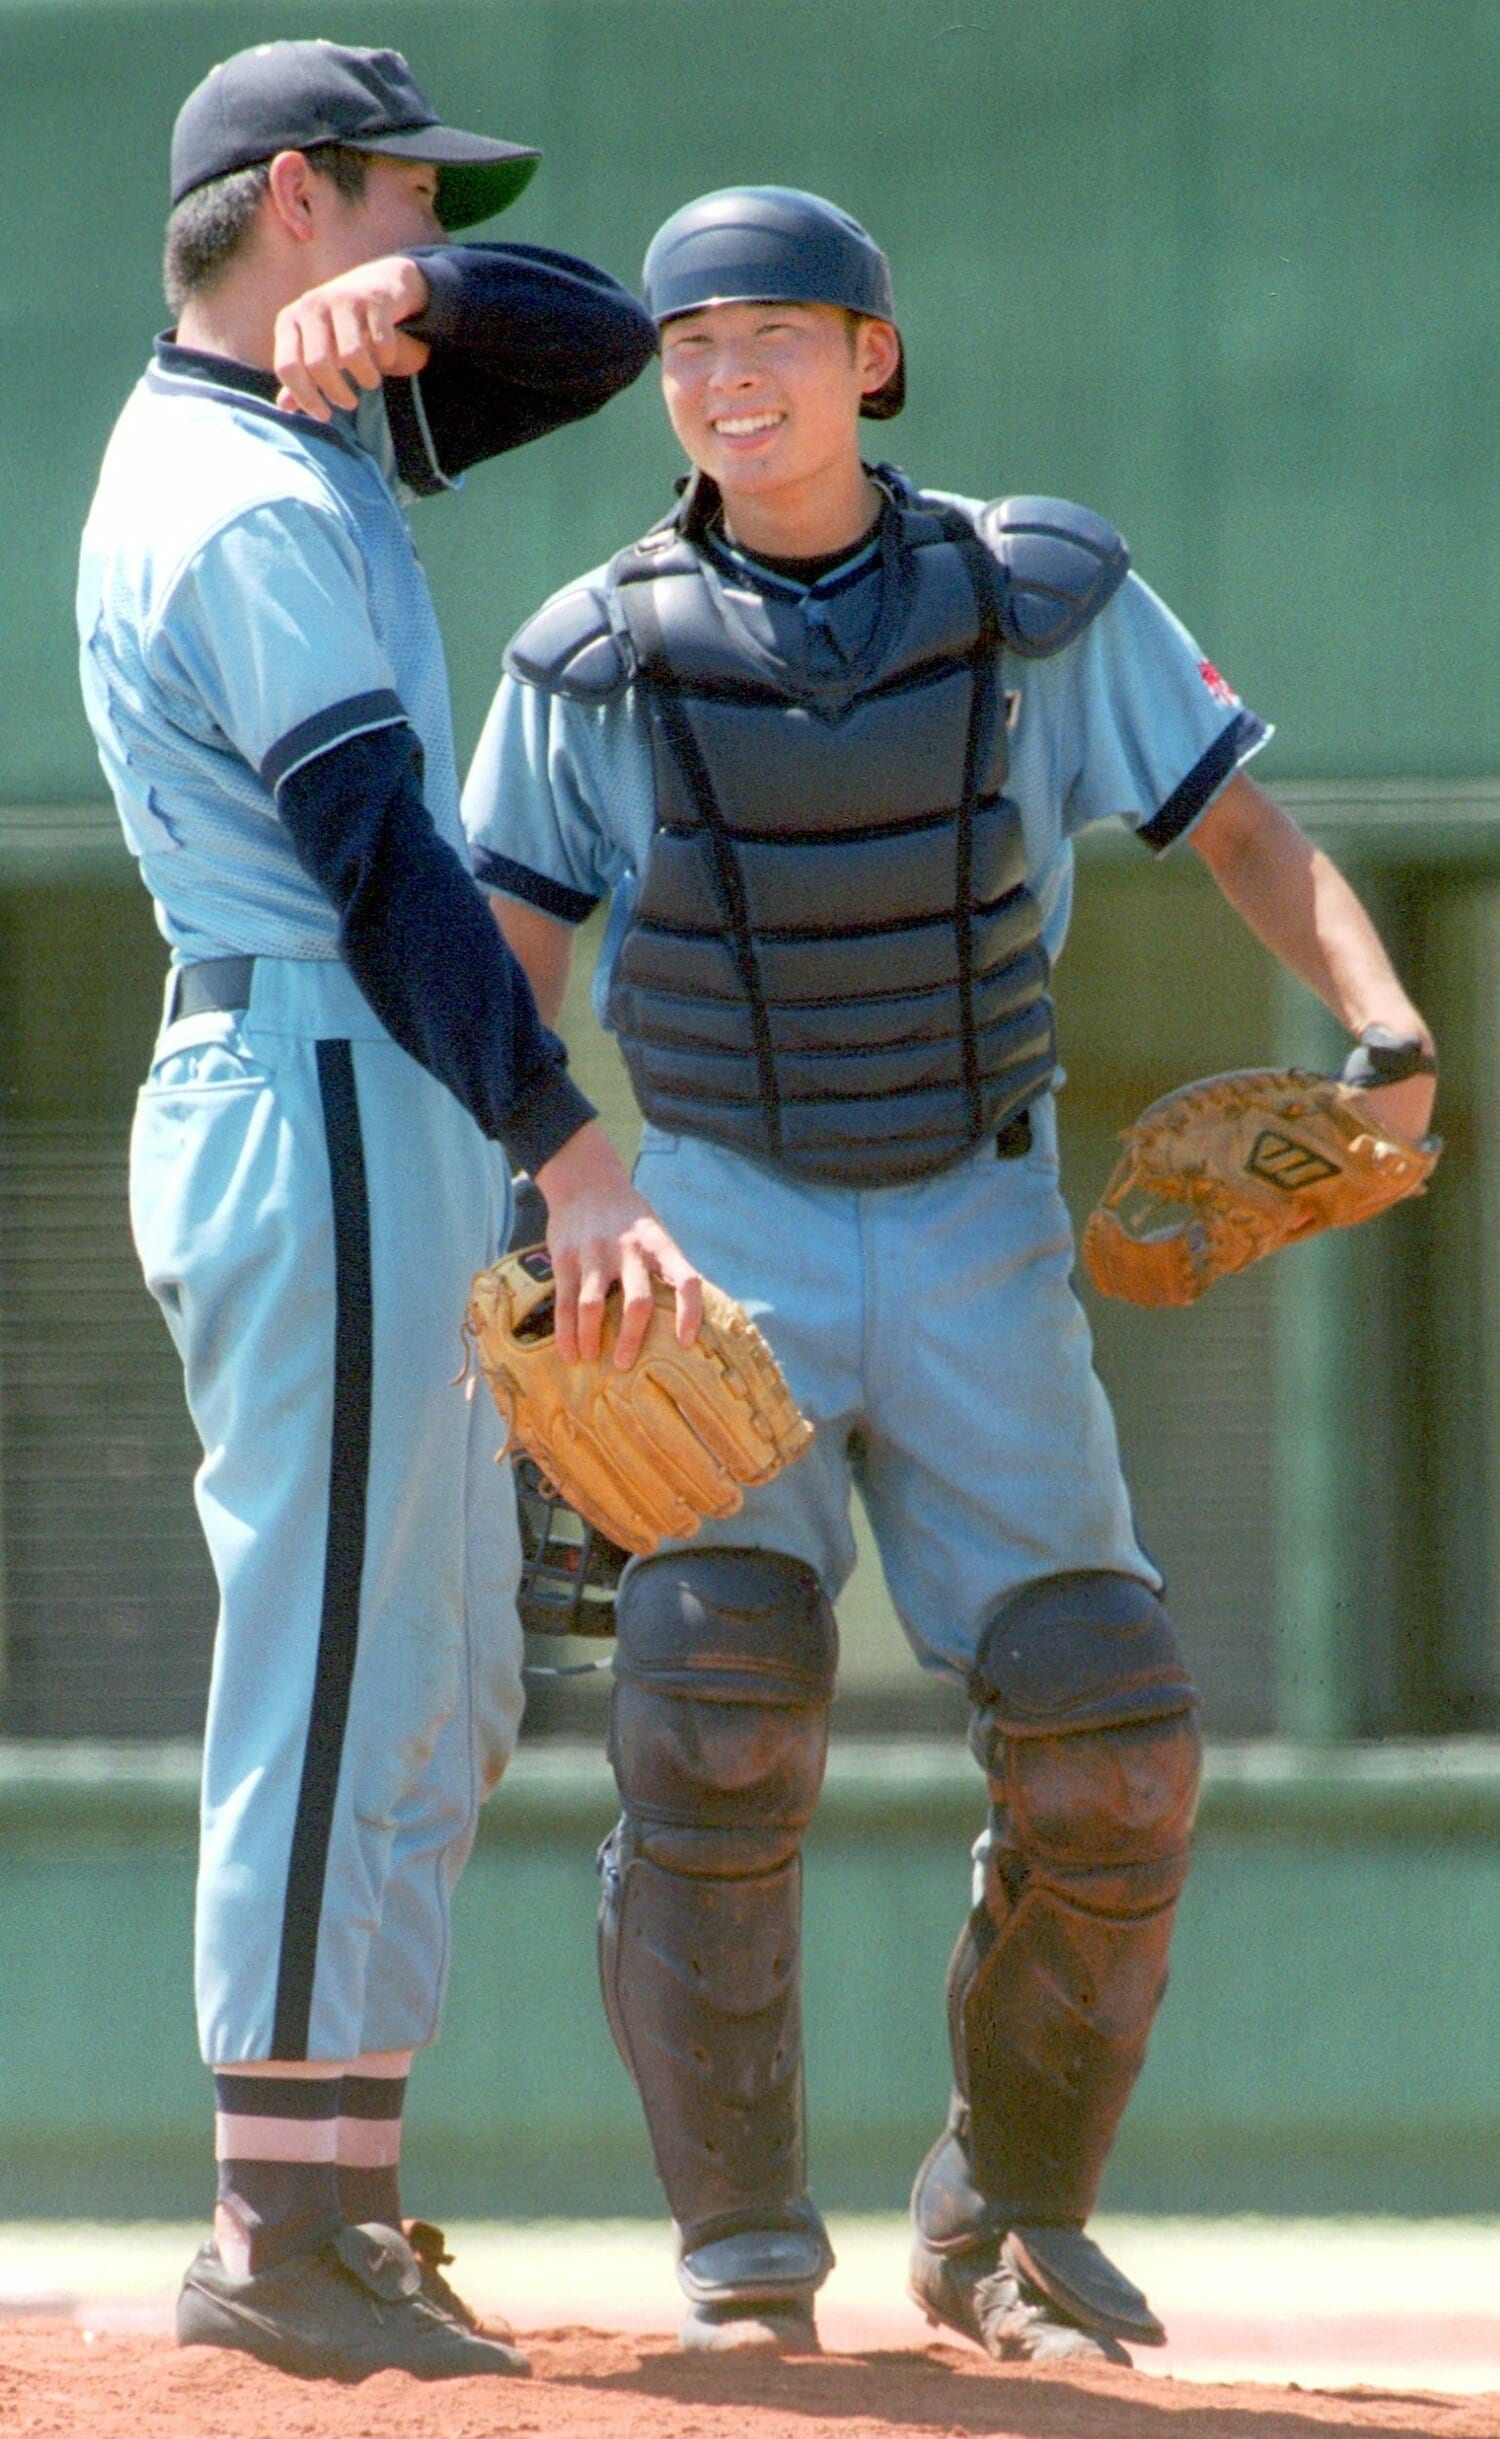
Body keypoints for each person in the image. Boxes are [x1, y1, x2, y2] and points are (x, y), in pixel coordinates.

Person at [462, 185, 1438, 2363]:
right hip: (712, 1222)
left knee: (1109, 1732)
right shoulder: (590, 650)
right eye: (692, 343)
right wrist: (543, 1203)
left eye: (777, 335)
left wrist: (1387, 1032)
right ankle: (742, 2253)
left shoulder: (1034, 598)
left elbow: (1245, 828)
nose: (731, 376)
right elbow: (500, 964)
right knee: (713, 1706)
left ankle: (1010, 2217)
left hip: (982, 1211)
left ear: (871, 357)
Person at [77, 38, 700, 2385]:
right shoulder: (232, 494)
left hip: (372, 1079)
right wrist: (574, 1148)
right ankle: (268, 2219)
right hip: (318, 1068)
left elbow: (610, 333)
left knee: (435, 1659)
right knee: (336, 1668)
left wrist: (413, 316)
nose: (440, 228)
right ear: (295, 193)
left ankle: (340, 2185)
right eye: (405, 199)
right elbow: (382, 861)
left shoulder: (303, 422)